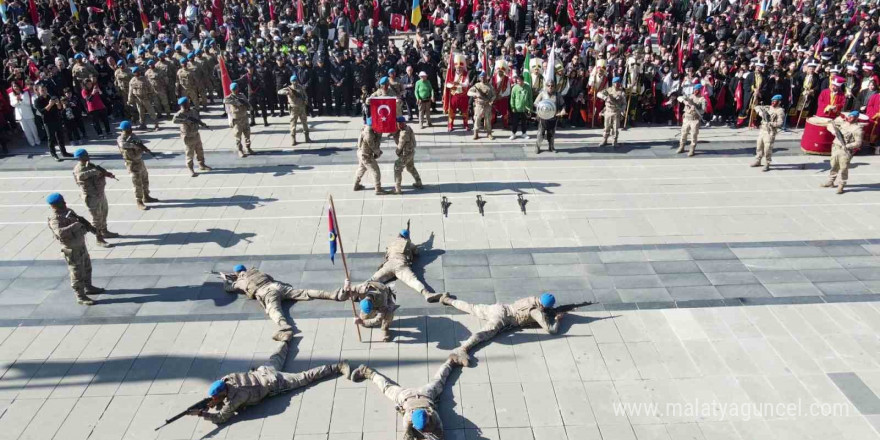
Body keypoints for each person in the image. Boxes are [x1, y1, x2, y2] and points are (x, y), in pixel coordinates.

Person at [188, 339, 349, 424]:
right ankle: (286, 339)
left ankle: (337, 366)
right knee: (278, 356)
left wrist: (203, 414)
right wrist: (215, 401)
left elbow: (222, 418)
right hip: (263, 371)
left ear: (223, 392)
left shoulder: (235, 399)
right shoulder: (227, 378)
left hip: (274, 382)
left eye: (216, 397)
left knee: (304, 378)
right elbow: (223, 395)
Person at [221, 264, 351, 341]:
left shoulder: (240, 281)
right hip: (277, 286)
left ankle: (285, 327)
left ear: (237, 273)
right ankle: (334, 295)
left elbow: (228, 288)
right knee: (304, 292)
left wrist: (225, 279)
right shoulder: (256, 271)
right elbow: (270, 278)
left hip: (267, 293)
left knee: (274, 311)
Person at [440, 292, 564, 366]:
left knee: (471, 308)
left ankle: (447, 300)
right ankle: (462, 349)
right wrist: (557, 320)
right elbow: (551, 330)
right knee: (483, 334)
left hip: (499, 308)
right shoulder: (536, 311)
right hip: (503, 318)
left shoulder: (532, 299)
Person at [348, 358, 456, 439]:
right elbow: (408, 433)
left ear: (428, 416)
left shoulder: (435, 418)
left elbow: (439, 436)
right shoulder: (409, 418)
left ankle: (452, 360)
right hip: (406, 396)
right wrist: (411, 434)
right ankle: (367, 372)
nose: (423, 430)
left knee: (439, 381)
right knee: (386, 388)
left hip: (424, 394)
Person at [46, 192, 105, 305]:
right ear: (55, 205)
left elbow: (80, 221)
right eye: (61, 202)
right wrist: (75, 225)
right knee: (77, 272)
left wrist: (92, 230)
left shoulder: (68, 211)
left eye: (63, 201)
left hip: (80, 245)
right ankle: (80, 296)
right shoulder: (55, 219)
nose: (64, 203)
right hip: (71, 249)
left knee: (87, 267)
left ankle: (88, 287)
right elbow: (60, 233)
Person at [371, 228, 441, 302]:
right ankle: (427, 294)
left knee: (374, 279)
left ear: (399, 234)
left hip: (389, 264)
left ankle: (359, 290)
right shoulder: (408, 243)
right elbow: (416, 252)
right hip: (401, 264)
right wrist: (410, 244)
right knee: (412, 280)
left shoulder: (392, 243)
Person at [72, 149, 117, 247]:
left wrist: (105, 173)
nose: (87, 156)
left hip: (99, 193)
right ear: (79, 158)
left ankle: (104, 231)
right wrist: (94, 171)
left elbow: (98, 173)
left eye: (86, 154)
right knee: (97, 219)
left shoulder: (90, 165)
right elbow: (81, 177)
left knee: (104, 213)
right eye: (84, 155)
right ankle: (99, 239)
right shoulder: (79, 169)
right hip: (91, 196)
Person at [116, 120, 157, 210]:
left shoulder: (133, 136)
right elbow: (123, 145)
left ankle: (146, 196)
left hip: (139, 161)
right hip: (131, 163)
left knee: (145, 179)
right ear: (124, 130)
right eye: (128, 129)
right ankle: (139, 201)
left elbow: (139, 142)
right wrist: (135, 145)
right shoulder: (121, 138)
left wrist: (142, 147)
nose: (131, 130)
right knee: (137, 183)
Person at [823, 111, 863, 194]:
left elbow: (858, 143)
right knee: (833, 165)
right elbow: (830, 124)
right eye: (849, 116)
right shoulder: (843, 123)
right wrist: (833, 131)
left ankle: (841, 185)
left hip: (845, 151)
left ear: (856, 118)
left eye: (852, 117)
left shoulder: (857, 129)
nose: (849, 118)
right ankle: (831, 181)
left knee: (843, 168)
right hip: (835, 147)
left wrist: (847, 146)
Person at [172, 97, 211, 177]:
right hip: (188, 136)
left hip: (196, 134)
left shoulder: (193, 111)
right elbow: (174, 121)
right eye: (186, 103)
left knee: (199, 150)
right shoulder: (180, 114)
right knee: (189, 153)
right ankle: (190, 169)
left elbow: (197, 119)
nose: (188, 104)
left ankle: (202, 164)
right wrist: (185, 121)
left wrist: (202, 124)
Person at [34, 85, 71, 160]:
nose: (44, 92)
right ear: (38, 91)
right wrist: (50, 104)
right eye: (42, 90)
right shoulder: (37, 101)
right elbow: (42, 112)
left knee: (60, 136)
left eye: (45, 90)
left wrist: (58, 104)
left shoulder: (51, 97)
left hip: (56, 119)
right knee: (51, 138)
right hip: (47, 121)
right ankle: (53, 154)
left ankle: (64, 152)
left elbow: (59, 109)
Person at [751, 95, 785, 172]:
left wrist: (771, 123)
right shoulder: (767, 107)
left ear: (779, 102)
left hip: (770, 132)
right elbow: (756, 107)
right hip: (762, 130)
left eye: (775, 101)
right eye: (772, 101)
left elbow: (780, 123)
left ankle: (767, 163)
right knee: (759, 146)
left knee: (767, 149)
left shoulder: (780, 111)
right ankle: (758, 160)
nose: (773, 102)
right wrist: (761, 113)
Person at [277, 74, 311, 146]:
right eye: (293, 81)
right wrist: (287, 92)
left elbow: (305, 95)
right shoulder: (289, 88)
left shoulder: (300, 87)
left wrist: (306, 100)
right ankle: (293, 139)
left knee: (304, 123)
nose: (294, 82)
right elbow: (279, 91)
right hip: (293, 108)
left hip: (301, 107)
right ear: (291, 81)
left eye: (295, 80)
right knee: (293, 124)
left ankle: (307, 137)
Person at [354, 118, 386, 195]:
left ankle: (356, 185)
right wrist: (378, 152)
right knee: (376, 171)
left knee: (361, 169)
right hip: (366, 155)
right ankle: (378, 189)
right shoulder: (369, 134)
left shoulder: (365, 129)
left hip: (361, 153)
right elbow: (373, 146)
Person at [393, 116, 423, 194]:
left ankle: (398, 189)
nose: (397, 125)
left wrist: (397, 152)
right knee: (410, 167)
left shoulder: (403, 134)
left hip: (405, 155)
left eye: (398, 124)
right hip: (411, 152)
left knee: (397, 168)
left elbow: (400, 146)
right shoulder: (408, 128)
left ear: (402, 124)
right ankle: (418, 182)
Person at [534, 81, 564, 154]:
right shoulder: (542, 94)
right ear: (546, 86)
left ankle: (551, 147)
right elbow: (535, 103)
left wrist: (563, 110)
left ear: (554, 86)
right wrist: (541, 106)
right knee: (540, 134)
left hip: (553, 117)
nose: (550, 87)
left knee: (552, 134)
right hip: (543, 118)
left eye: (552, 85)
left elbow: (563, 104)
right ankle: (537, 147)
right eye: (549, 85)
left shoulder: (558, 95)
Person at [678, 83, 707, 157]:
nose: (695, 91)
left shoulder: (702, 99)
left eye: (697, 90)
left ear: (700, 90)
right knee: (683, 133)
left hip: (694, 119)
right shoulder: (690, 96)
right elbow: (679, 98)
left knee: (693, 135)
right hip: (687, 118)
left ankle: (692, 149)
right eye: (694, 89)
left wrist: (696, 107)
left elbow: (703, 111)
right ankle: (682, 146)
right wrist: (685, 102)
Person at [225, 83, 253, 157]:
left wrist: (249, 107)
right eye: (233, 89)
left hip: (244, 118)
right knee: (238, 136)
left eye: (236, 89)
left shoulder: (242, 96)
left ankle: (248, 148)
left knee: (247, 134)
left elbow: (247, 103)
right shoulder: (229, 97)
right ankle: (240, 150)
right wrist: (237, 102)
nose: (235, 90)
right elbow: (225, 101)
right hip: (237, 120)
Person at [597, 77, 626, 147]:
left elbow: (624, 103)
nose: (617, 84)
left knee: (615, 128)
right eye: (615, 83)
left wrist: (622, 110)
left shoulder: (621, 92)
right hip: (608, 111)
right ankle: (604, 140)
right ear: (613, 83)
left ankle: (615, 141)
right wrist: (605, 97)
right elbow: (598, 94)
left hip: (616, 112)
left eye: (618, 82)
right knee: (606, 127)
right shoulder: (608, 90)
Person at [8, 82, 39, 148]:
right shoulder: (11, 94)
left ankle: (37, 140)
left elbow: (28, 103)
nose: (15, 87)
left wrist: (21, 99)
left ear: (19, 86)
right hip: (20, 115)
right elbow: (12, 104)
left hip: (28, 113)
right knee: (26, 130)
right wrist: (17, 100)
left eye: (16, 86)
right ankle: (31, 142)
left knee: (33, 128)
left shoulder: (25, 93)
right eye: (14, 86)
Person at [468, 72, 496, 140]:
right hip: (479, 105)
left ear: (486, 77)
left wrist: (492, 100)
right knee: (477, 119)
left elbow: (494, 95)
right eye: (481, 77)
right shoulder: (477, 85)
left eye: (484, 77)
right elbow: (468, 92)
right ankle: (476, 133)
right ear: (480, 78)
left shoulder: (490, 86)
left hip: (487, 105)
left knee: (488, 120)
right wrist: (475, 94)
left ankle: (489, 133)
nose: (483, 79)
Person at [508, 75, 532, 140]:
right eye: (517, 81)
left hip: (525, 108)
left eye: (520, 81)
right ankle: (513, 134)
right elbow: (512, 98)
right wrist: (512, 107)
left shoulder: (528, 87)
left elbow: (530, 98)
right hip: (516, 108)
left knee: (524, 122)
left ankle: (524, 133)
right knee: (515, 122)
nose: (518, 82)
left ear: (523, 80)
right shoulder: (514, 88)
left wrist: (530, 108)